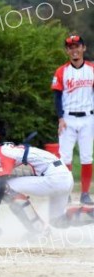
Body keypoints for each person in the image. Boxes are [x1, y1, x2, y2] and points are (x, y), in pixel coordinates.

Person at [0, 118, 93, 232]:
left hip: (55, 177)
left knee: (5, 187)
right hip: (63, 177)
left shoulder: (3, 153)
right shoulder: (4, 151)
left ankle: (38, 230)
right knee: (58, 221)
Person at [51, 34, 94, 205]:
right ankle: (66, 192)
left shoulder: (91, 69)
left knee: (86, 157)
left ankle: (85, 193)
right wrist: (60, 118)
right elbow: (57, 97)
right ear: (67, 51)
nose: (74, 50)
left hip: (88, 117)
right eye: (70, 47)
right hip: (68, 118)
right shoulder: (61, 71)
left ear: (83, 48)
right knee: (65, 158)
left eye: (77, 46)